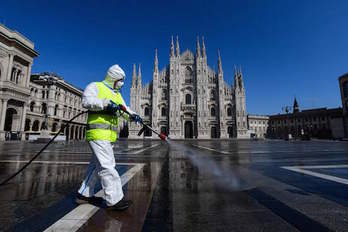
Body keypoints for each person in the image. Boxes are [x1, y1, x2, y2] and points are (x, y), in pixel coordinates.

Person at [76, 64, 142, 210]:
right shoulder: (96, 86)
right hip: (97, 133)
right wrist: (105, 104)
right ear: (113, 78)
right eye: (120, 80)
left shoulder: (116, 94)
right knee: (107, 166)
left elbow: (124, 110)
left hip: (108, 136)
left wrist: (134, 116)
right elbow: (86, 101)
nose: (122, 83)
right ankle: (114, 200)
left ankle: (84, 194)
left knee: (95, 166)